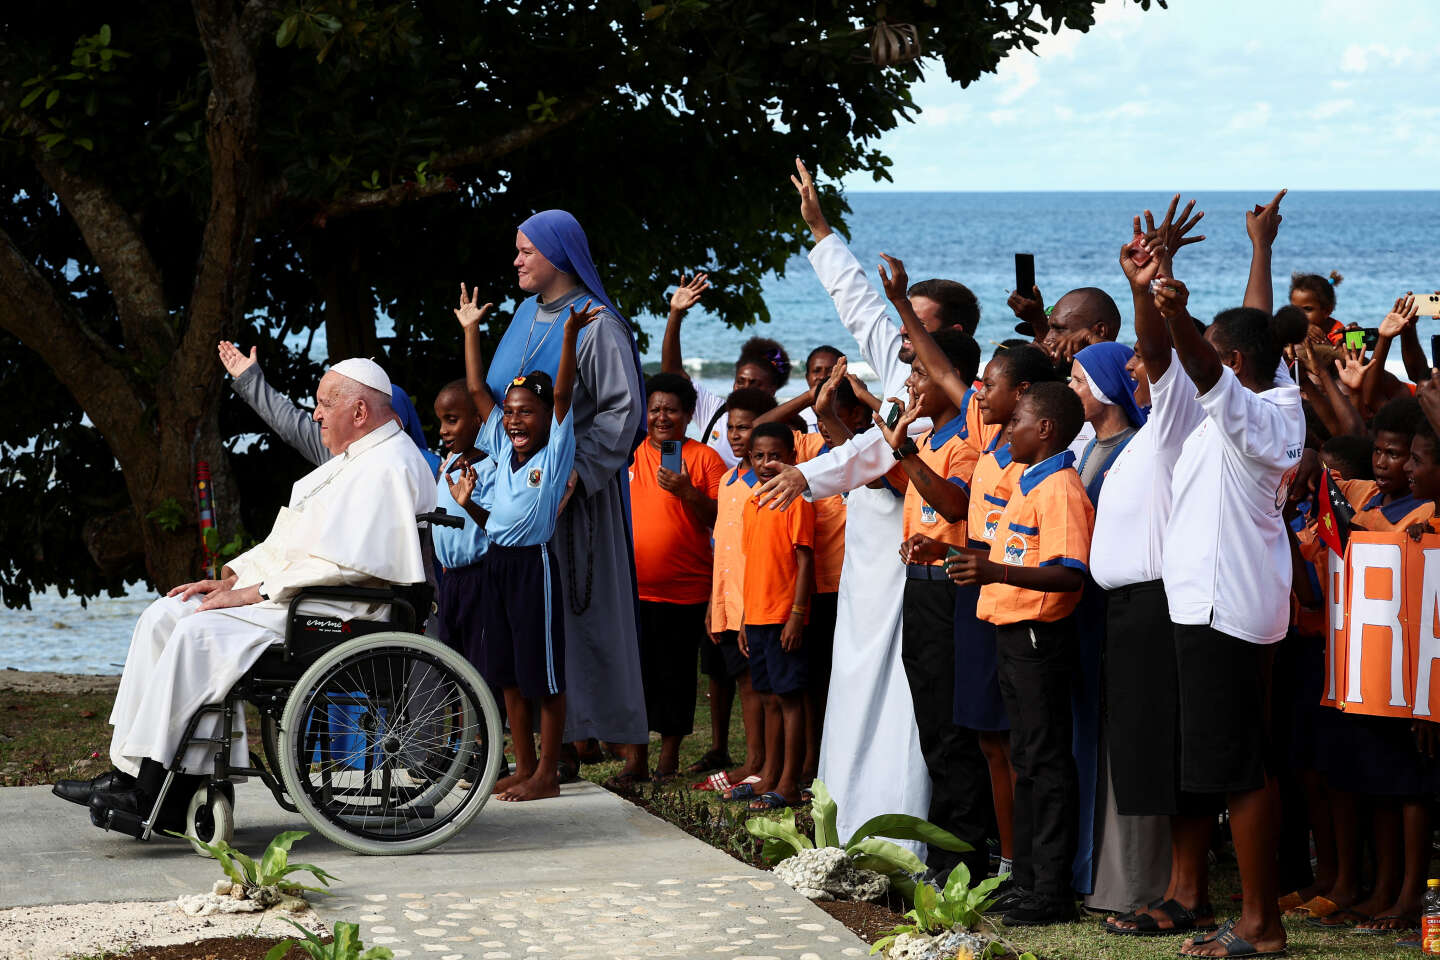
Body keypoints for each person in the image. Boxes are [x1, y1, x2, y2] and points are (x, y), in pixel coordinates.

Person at [56, 358, 436, 827]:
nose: (315, 415)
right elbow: (294, 543)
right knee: (167, 612)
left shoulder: (389, 466)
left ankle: (162, 795)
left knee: (198, 633)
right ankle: (129, 773)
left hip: (340, 611)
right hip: (308, 598)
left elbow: (346, 566)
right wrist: (233, 579)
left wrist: (255, 593)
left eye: (323, 404)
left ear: (359, 412)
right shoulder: (357, 461)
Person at [1150, 266, 1305, 959]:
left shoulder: (1264, 414)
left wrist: (1179, 314)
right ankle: (1257, 917)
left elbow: (1207, 370)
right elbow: (1187, 363)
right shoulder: (1255, 402)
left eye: (1207, 352)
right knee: (1245, 766)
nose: (1192, 364)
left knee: (1241, 770)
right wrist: (1155, 300)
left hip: (1226, 608)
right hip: (1218, 604)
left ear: (1233, 363)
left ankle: (1260, 925)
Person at [480, 210, 648, 761]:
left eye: (527, 251)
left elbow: (621, 414)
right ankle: (543, 753)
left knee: (576, 619)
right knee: (525, 625)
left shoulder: (600, 324)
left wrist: (576, 474)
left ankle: (577, 743)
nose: (517, 260)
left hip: (573, 501)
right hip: (517, 497)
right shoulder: (526, 313)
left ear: (557, 254)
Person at [948, 381, 1094, 926]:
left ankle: (1052, 889)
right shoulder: (1030, 484)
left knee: (1046, 760)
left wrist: (996, 572)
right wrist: (954, 553)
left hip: (1038, 637)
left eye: (1018, 422)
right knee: (1027, 759)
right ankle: (1028, 879)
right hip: (1010, 632)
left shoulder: (1058, 487)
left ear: (1047, 430)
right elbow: (1003, 550)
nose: (1008, 429)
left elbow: (1069, 574)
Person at [459, 285, 597, 802]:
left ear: (546, 419)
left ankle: (547, 773)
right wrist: (471, 330)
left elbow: (561, 395)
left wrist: (568, 339)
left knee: (543, 676)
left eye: (526, 412)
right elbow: (478, 394)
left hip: (531, 568)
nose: (515, 419)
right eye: (511, 412)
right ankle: (521, 764)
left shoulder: (557, 446)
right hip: (496, 563)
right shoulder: (501, 442)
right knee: (509, 677)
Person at [869, 294, 989, 885]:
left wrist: (907, 449)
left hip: (950, 589)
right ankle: (944, 851)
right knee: (932, 724)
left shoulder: (963, 440)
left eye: (921, 370)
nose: (914, 381)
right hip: (919, 588)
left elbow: (954, 502)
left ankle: (962, 856)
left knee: (951, 728)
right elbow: (888, 479)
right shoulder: (928, 438)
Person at [626, 373, 725, 782]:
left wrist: (687, 491)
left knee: (677, 678)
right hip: (634, 591)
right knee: (635, 677)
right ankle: (636, 761)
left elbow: (719, 519)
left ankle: (668, 760)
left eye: (671, 410)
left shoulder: (704, 459)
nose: (661, 417)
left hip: (686, 592)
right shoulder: (629, 455)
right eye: (655, 409)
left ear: (687, 416)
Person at [693, 387, 777, 795]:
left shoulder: (766, 484)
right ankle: (753, 758)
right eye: (731, 427)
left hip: (755, 599)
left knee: (755, 683)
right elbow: (720, 547)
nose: (736, 435)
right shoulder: (728, 480)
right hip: (726, 598)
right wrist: (713, 602)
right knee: (740, 679)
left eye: (745, 427)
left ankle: (758, 760)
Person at [739, 422, 815, 810]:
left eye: (775, 456)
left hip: (784, 615)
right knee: (767, 696)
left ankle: (789, 781)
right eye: (759, 456)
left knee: (789, 699)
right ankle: (768, 773)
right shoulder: (752, 500)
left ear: (792, 459)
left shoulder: (797, 500)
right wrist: (742, 620)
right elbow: (753, 563)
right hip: (756, 617)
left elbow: (804, 561)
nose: (767, 464)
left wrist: (797, 616)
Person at [217, 340, 439, 474]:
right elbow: (289, 422)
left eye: (326, 404)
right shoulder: (337, 447)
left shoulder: (426, 468)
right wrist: (250, 379)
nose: (316, 415)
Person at [660, 275, 793, 468]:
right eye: (741, 381)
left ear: (773, 389)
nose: (744, 388)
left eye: (755, 383)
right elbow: (674, 375)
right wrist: (675, 314)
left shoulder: (785, 429)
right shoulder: (716, 412)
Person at [432, 379, 497, 667]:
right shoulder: (451, 462)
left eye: (452, 420)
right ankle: (461, 714)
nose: (443, 430)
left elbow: (496, 526)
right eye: (441, 421)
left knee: (480, 663)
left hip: (479, 578)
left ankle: (486, 714)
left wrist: (469, 502)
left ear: (478, 419)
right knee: (452, 663)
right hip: (451, 579)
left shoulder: (489, 467)